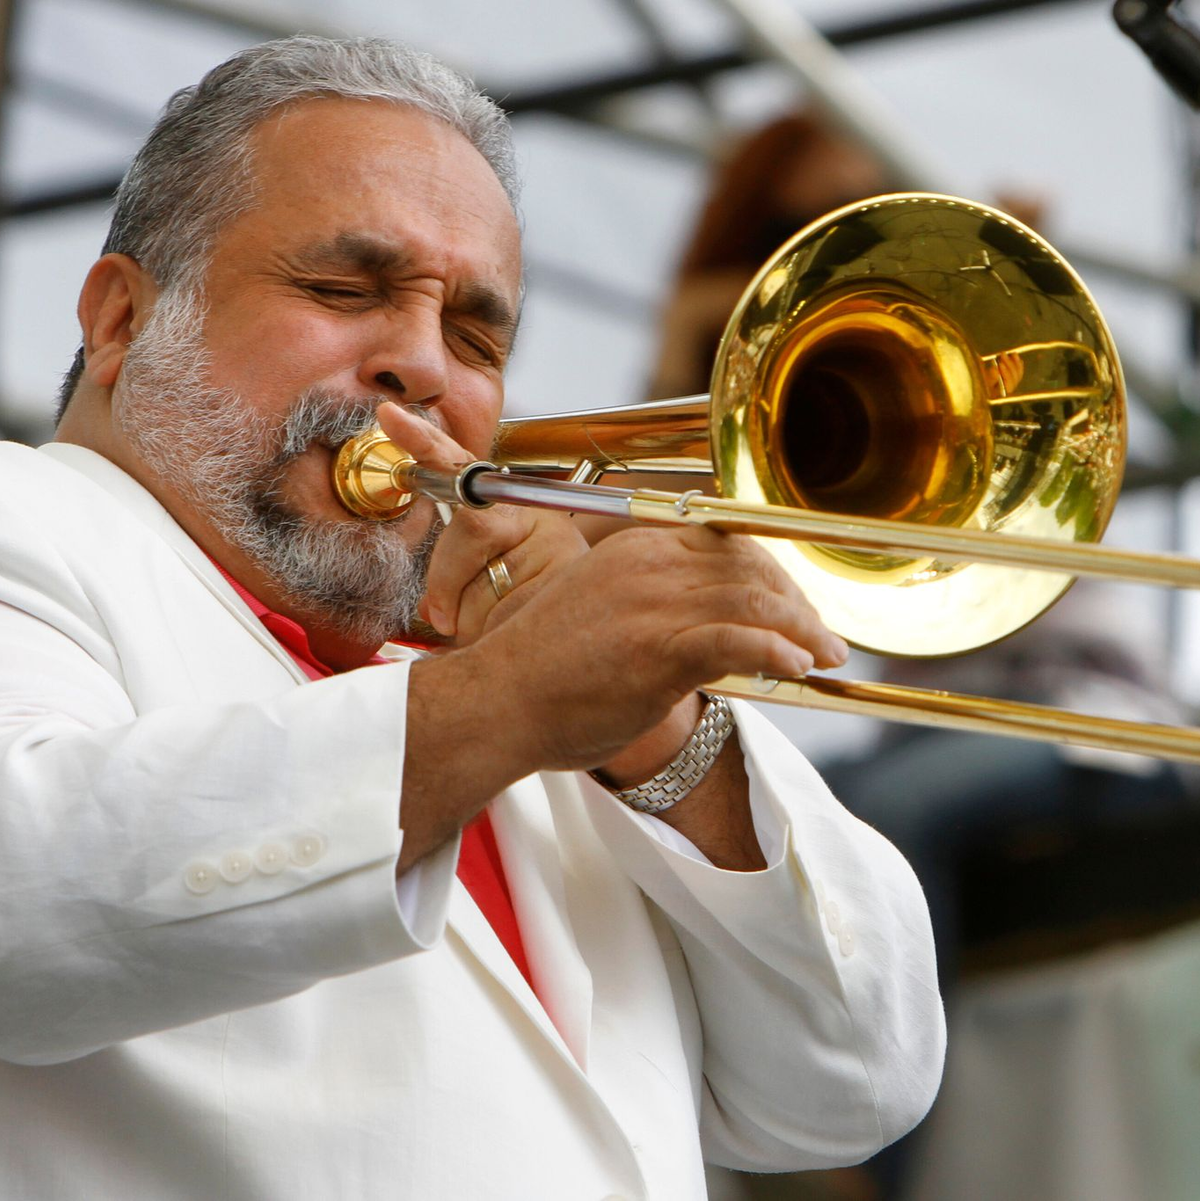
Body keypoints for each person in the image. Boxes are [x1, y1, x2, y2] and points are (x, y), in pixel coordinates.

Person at [0, 37, 944, 1199]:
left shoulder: (530, 686)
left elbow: (856, 1080)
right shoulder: (29, 519)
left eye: (476, 336)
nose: (422, 366)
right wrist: (509, 700)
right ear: (121, 320)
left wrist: (665, 744)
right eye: (345, 290)